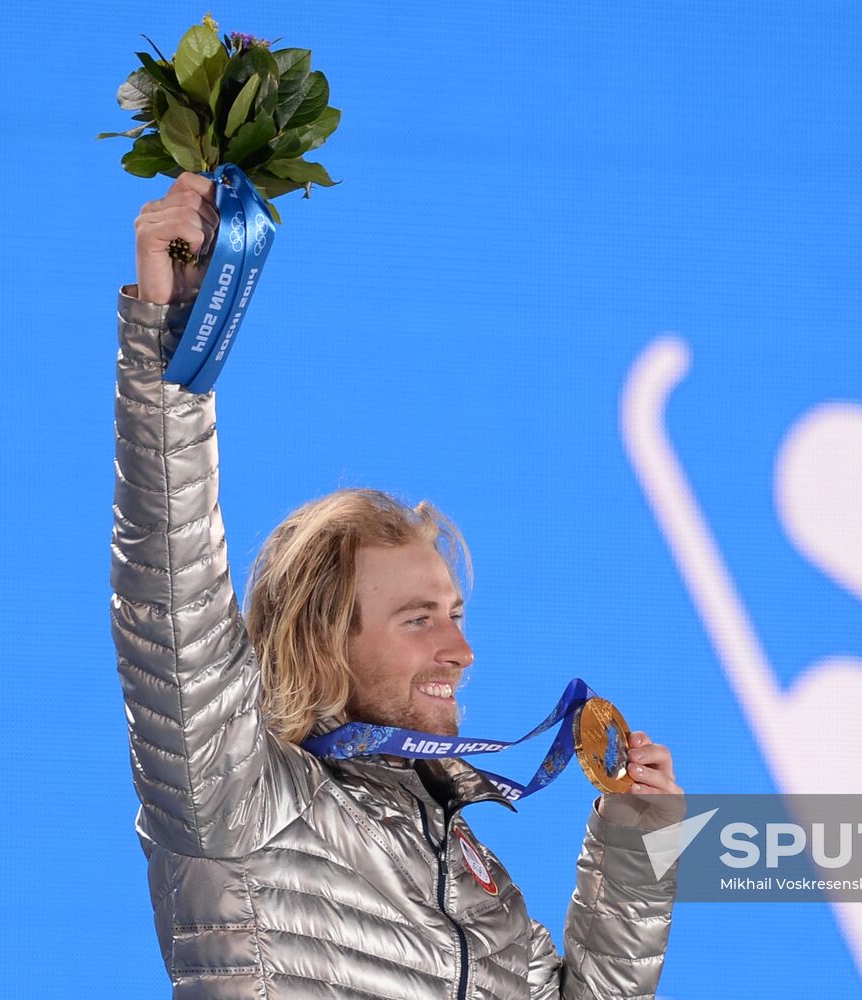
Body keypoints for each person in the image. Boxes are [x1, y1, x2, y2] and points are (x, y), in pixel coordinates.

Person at [111, 172, 681, 1000]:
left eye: (453, 614)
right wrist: (170, 340)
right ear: (320, 639)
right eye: (418, 620)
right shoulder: (241, 799)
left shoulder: (462, 857)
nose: (461, 648)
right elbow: (172, 596)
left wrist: (638, 849)